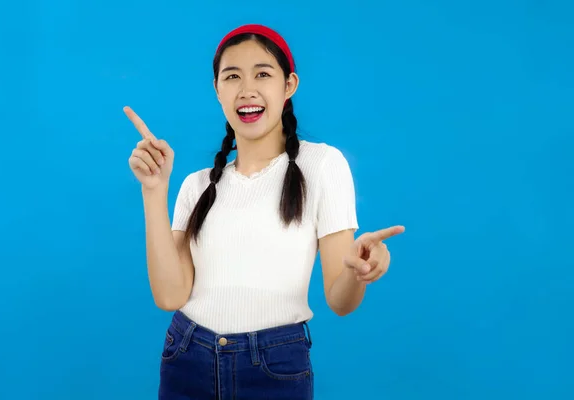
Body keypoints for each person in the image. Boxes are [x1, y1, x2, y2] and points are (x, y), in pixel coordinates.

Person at [124, 23, 404, 400]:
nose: (247, 89)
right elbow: (170, 295)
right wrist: (154, 191)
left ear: (288, 86)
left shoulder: (322, 165)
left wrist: (358, 270)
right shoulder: (196, 185)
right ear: (217, 90)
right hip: (187, 358)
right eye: (232, 76)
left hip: (274, 367)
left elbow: (340, 302)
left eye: (263, 74)